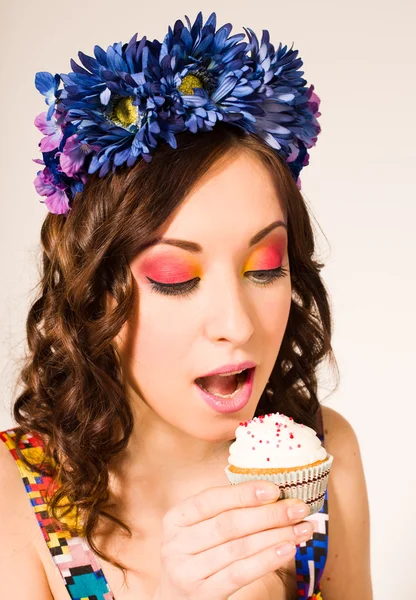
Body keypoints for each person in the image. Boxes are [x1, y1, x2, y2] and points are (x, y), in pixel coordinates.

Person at [0, 11, 372, 600]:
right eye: (176, 278)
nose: (236, 323)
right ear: (96, 292)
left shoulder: (324, 457)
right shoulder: (15, 493)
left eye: (265, 268)